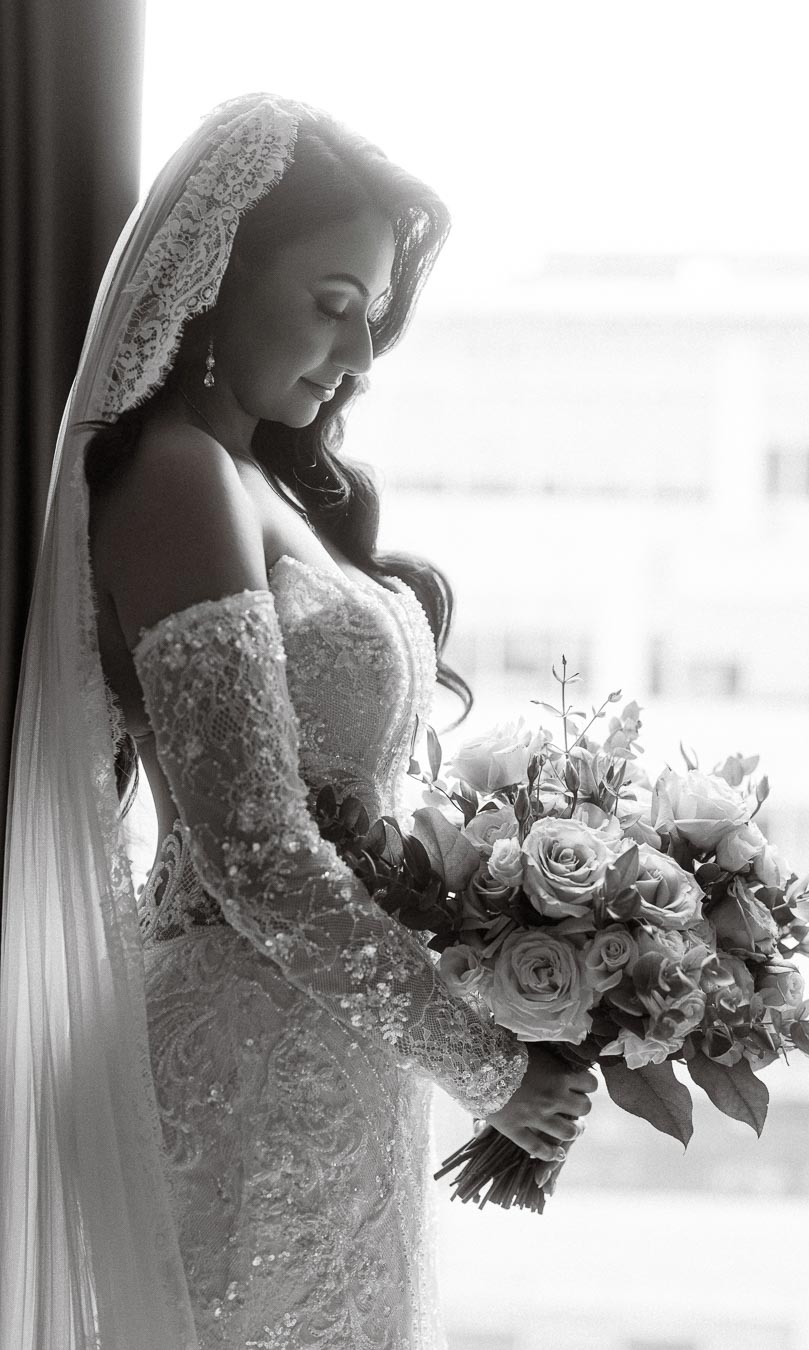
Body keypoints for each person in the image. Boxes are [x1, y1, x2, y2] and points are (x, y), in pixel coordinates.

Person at [0, 93, 597, 1349]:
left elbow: (341, 822)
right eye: (332, 302)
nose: (360, 352)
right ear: (218, 281)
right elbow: (259, 857)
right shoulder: (174, 475)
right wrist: (491, 1067)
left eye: (372, 316)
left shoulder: (264, 484)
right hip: (238, 1076)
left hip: (337, 1072)